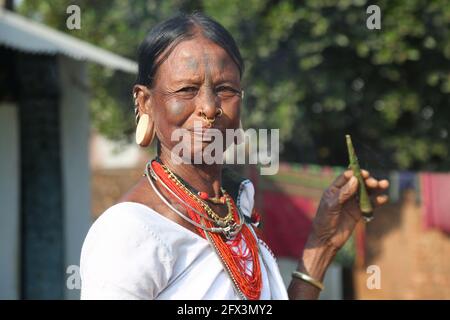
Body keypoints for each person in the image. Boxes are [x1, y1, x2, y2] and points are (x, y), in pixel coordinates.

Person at [80, 12, 389, 300]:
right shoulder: (129, 231)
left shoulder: (234, 207)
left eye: (225, 89)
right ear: (145, 102)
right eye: (187, 89)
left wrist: (323, 243)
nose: (210, 107)